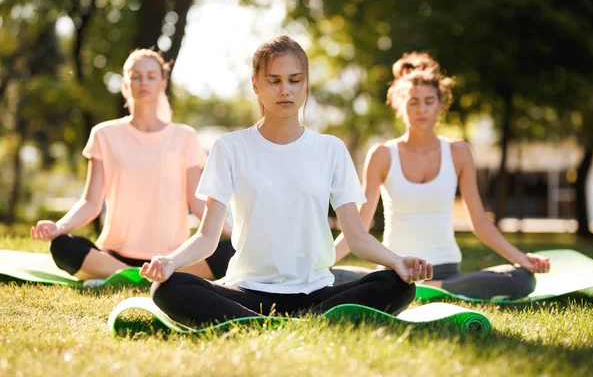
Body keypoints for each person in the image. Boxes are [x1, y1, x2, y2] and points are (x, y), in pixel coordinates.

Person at [140, 36, 433, 327]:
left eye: (294, 80)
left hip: (316, 293)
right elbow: (207, 237)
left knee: (398, 284)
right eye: (274, 81)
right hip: (248, 292)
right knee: (167, 288)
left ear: (305, 84)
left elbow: (356, 236)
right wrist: (170, 262)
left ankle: (272, 323)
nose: (285, 90)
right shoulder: (229, 148)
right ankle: (283, 323)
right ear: (256, 85)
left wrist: (397, 261)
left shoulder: (330, 149)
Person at [332, 52, 550, 299]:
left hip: (447, 273)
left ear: (440, 104)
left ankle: (429, 289)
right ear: (400, 105)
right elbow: (359, 226)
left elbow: (479, 221)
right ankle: (420, 289)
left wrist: (521, 259)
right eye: (413, 102)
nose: (421, 109)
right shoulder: (382, 154)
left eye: (428, 101)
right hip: (394, 270)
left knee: (521, 279)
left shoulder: (458, 152)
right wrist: (319, 264)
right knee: (330, 277)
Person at [30, 48, 234, 284]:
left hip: (172, 258)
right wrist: (58, 226)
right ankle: (137, 276)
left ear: (162, 83)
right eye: (135, 76)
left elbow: (198, 204)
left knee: (231, 251)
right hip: (115, 254)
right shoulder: (104, 134)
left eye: (150, 76)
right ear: (125, 83)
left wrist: (237, 234)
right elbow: (90, 202)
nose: (143, 82)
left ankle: (132, 276)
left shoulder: (185, 137)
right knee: (63, 246)